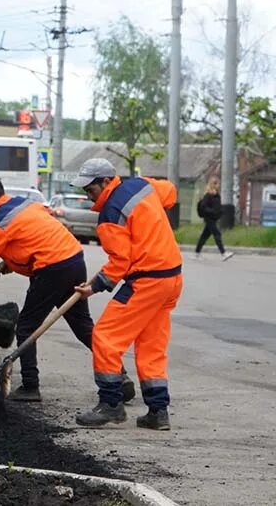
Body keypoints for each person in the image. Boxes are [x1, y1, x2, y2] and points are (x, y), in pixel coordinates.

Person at [0, 174, 134, 404]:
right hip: (73, 260)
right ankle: (118, 376)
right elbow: (34, 234)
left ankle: (31, 386)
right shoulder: (23, 204)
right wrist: (13, 261)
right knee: (83, 326)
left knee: (26, 326)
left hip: (51, 269)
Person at [70, 158, 182, 431]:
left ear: (107, 181)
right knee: (150, 346)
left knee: (105, 338)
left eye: (91, 188)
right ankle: (158, 411)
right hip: (171, 278)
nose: (87, 194)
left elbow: (120, 262)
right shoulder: (141, 185)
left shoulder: (110, 213)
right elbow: (170, 192)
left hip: (147, 281)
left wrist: (93, 287)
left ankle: (111, 405)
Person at [195, 177, 234, 261]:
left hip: (214, 218)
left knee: (204, 236)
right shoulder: (208, 195)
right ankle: (223, 253)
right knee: (217, 234)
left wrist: (220, 211)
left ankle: (197, 253)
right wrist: (212, 211)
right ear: (213, 185)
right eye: (217, 184)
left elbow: (217, 206)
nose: (219, 186)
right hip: (209, 218)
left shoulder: (216, 195)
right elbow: (203, 206)